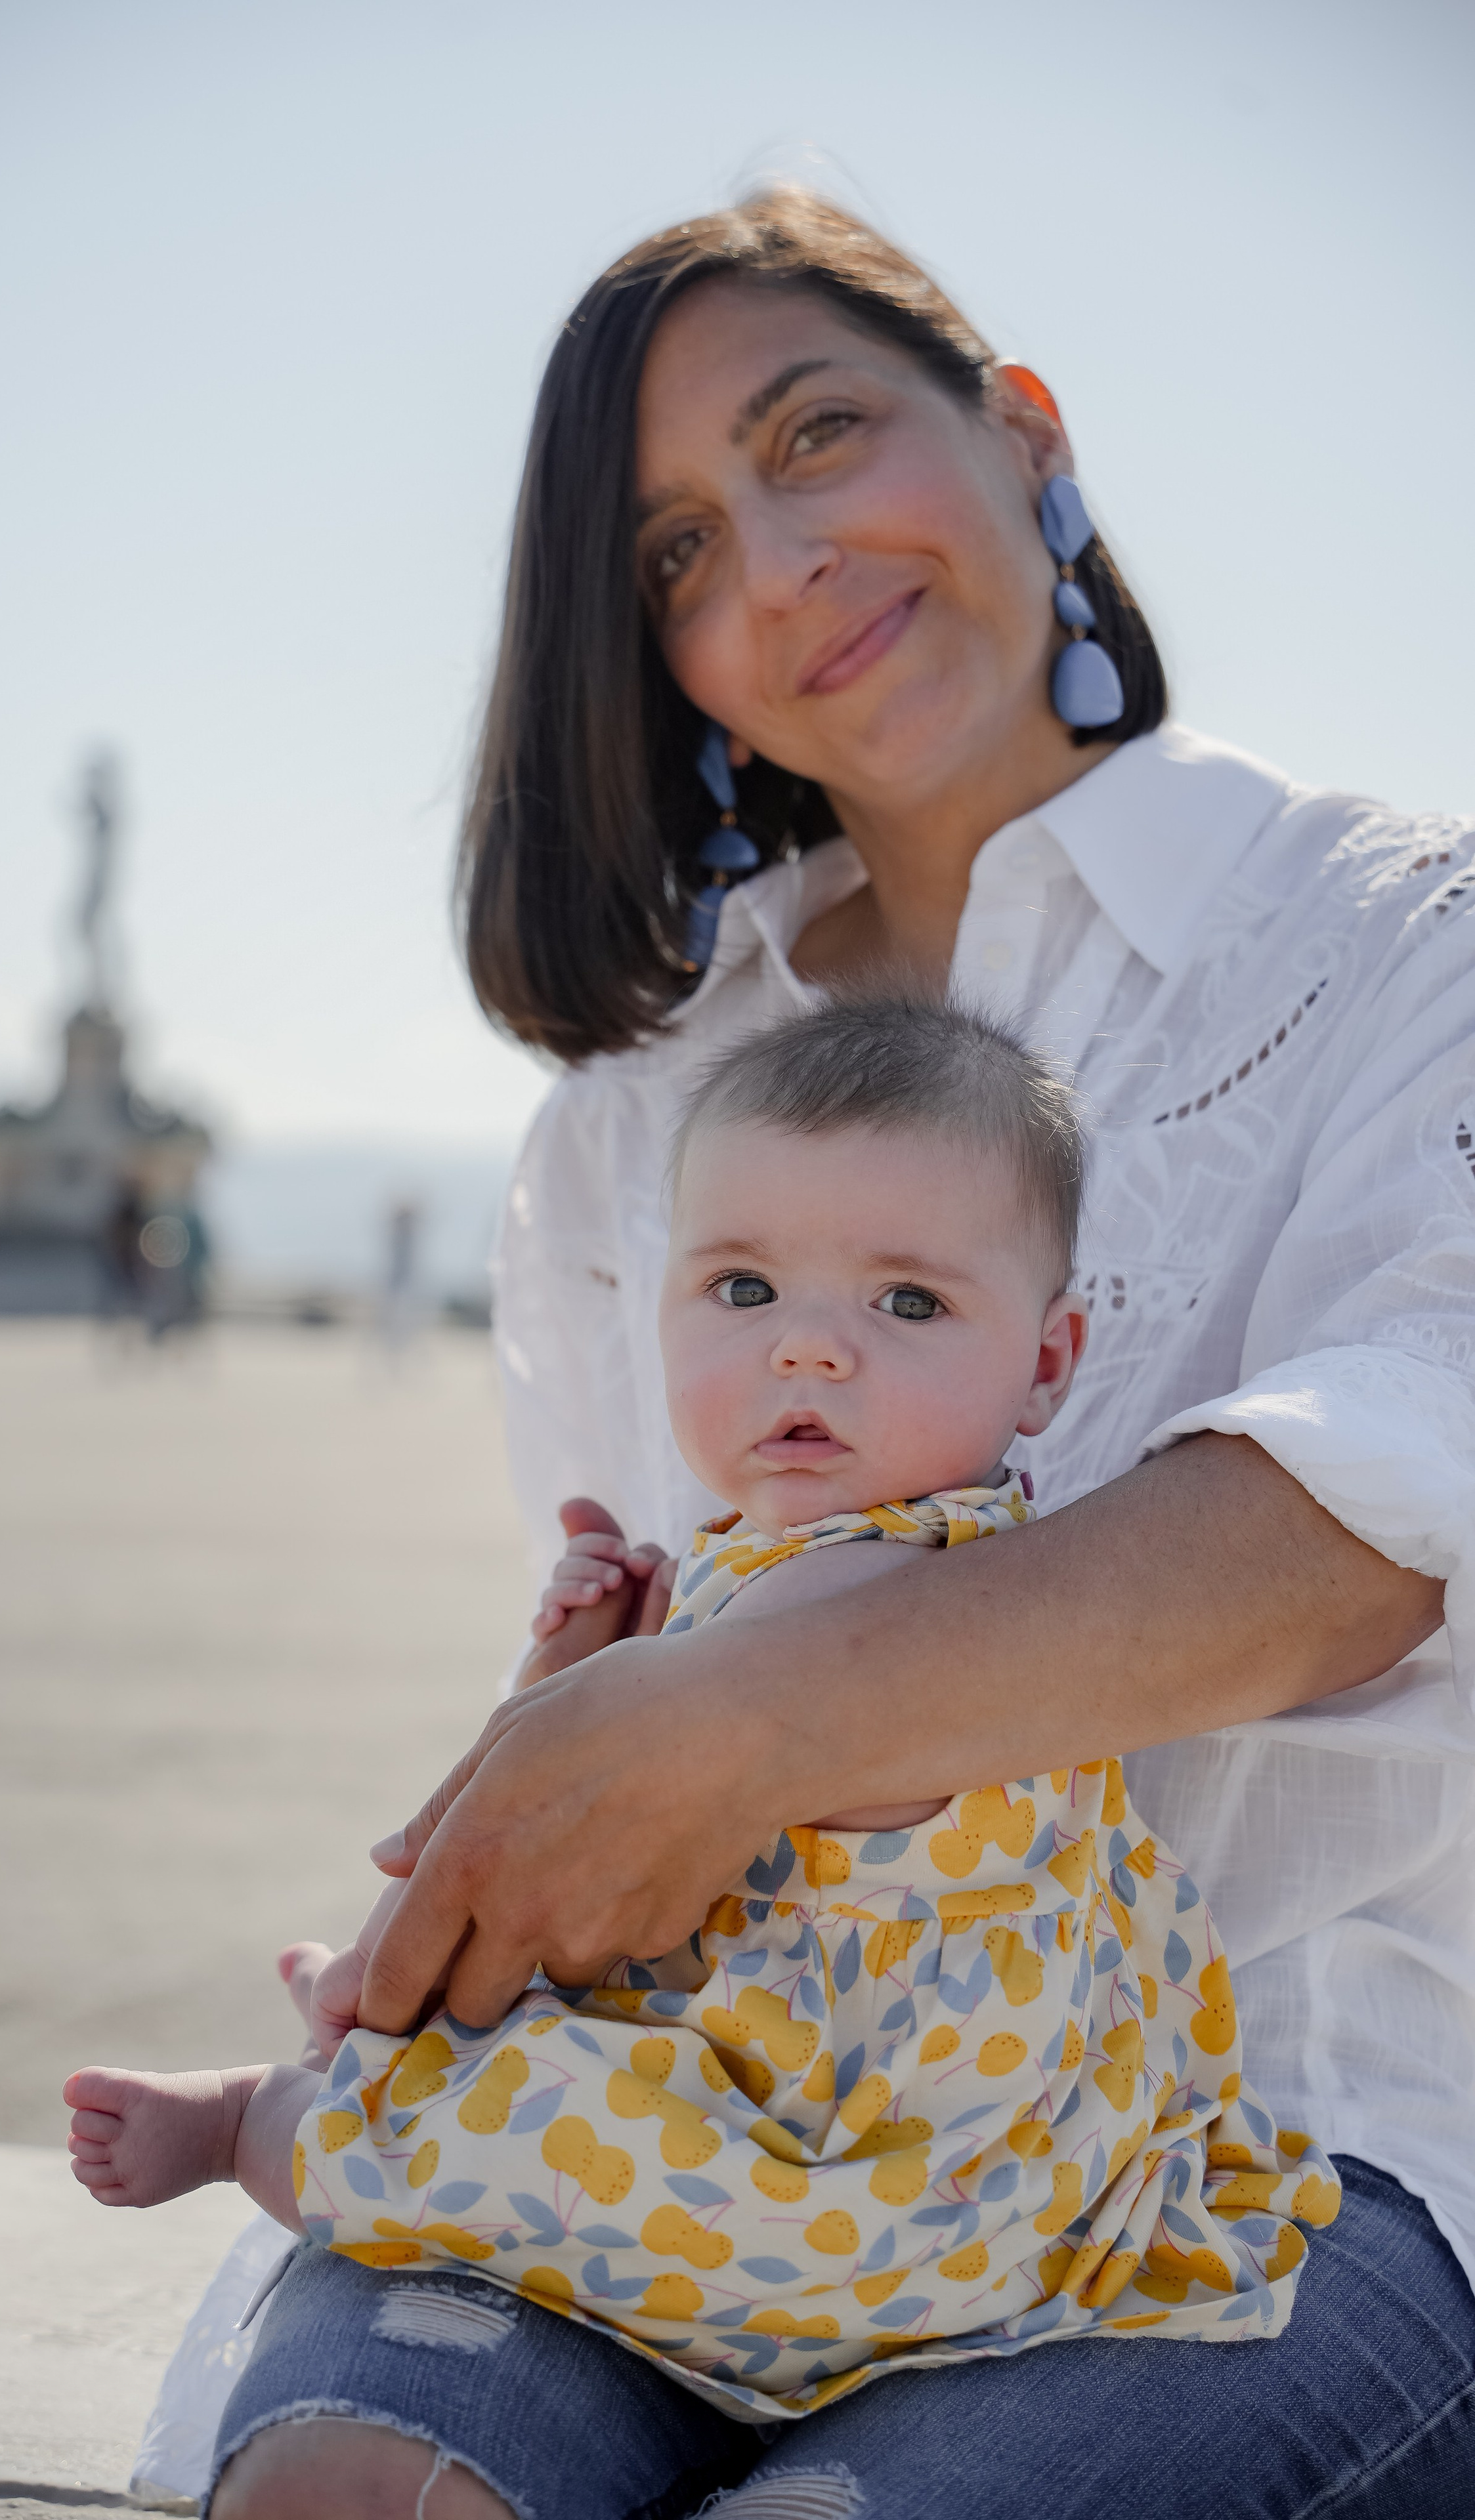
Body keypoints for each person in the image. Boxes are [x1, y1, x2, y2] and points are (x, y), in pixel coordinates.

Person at [137, 191, 1475, 2517]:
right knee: (352, 2487)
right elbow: (639, 1673)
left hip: (1263, 2147)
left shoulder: (1403, 942)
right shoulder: (638, 1108)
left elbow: (1387, 1510)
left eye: (819, 434)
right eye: (675, 551)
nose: (777, 567)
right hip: (689, 2106)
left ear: (1025, 434)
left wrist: (745, 1718)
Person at [69, 999, 1340, 2414]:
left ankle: (278, 2117)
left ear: (1047, 1364)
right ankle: (376, 2029)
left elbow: (565, 1794)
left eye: (906, 1303)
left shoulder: (896, 1594)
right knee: (561, 2005)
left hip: (845, 2155)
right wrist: (593, 1650)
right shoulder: (828, 1565)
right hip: (805, 2056)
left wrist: (578, 1679)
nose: (809, 1350)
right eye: (744, 1290)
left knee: (539, 2147)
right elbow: (593, 1798)